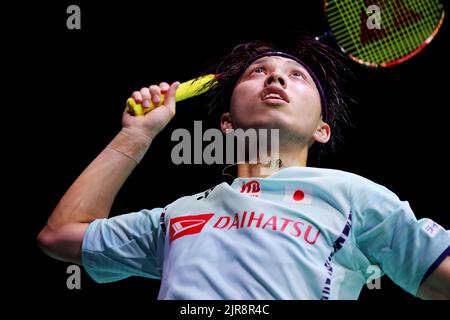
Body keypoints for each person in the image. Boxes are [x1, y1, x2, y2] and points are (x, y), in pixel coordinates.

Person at [37, 37, 450, 299]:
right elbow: (59, 236)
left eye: (297, 76)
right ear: (228, 124)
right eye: (259, 73)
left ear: (321, 130)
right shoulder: (178, 215)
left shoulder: (353, 197)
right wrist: (136, 135)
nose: (276, 80)